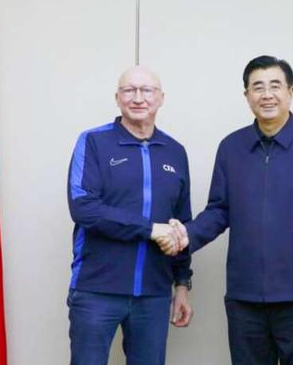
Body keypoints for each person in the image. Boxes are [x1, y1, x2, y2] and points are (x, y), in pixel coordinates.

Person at [162, 55, 293, 365]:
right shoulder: (231, 147)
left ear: (290, 91)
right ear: (247, 95)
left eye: (275, 86)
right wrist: (186, 235)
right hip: (245, 298)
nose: (267, 95)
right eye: (258, 87)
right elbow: (218, 211)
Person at [66, 66, 193, 365]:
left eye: (147, 90)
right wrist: (150, 229)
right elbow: (84, 208)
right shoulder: (93, 142)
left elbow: (181, 223)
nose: (138, 98)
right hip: (97, 290)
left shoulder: (175, 151)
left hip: (154, 293)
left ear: (161, 98)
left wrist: (182, 284)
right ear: (117, 97)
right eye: (129, 90)